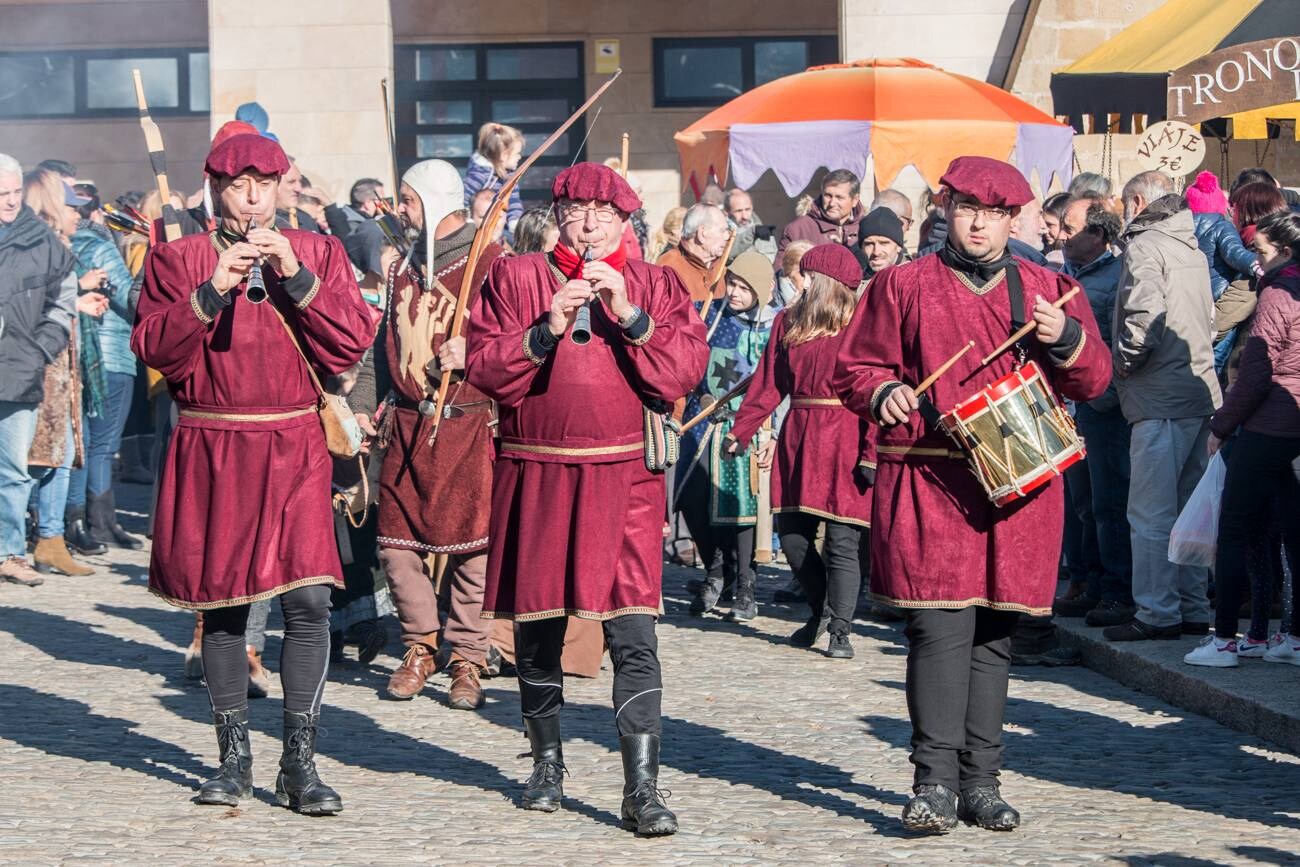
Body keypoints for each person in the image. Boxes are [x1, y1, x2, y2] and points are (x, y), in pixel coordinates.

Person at [834, 156, 1109, 833]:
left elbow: (1096, 380)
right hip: (929, 478)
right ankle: (932, 780)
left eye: (993, 212)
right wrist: (882, 390)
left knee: (993, 631)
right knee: (939, 627)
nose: (979, 222)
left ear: (1014, 219)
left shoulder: (1049, 288)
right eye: (966, 208)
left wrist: (1065, 337)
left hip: (1017, 487)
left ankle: (981, 782)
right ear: (946, 211)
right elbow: (854, 366)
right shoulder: (900, 285)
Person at [132, 133, 373, 814]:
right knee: (225, 607)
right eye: (238, 184)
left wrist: (295, 271)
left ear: (281, 188)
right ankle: (233, 758)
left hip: (294, 441)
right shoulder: (178, 259)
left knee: (309, 602)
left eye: (264, 184)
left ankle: (300, 761)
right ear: (214, 188)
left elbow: (352, 338)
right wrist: (211, 290)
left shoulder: (320, 251)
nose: (252, 196)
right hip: (215, 443)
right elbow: (154, 347)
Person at [464, 162, 708, 836]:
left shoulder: (657, 282)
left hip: (625, 476)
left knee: (634, 632)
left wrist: (628, 314)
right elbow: (483, 368)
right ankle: (546, 764)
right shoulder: (516, 277)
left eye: (605, 212)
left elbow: (686, 369)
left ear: (626, 220)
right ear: (559, 216)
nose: (591, 222)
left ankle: (642, 787)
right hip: (538, 471)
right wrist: (545, 329)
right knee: (537, 629)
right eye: (578, 209)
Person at [373, 158, 504, 710]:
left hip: (469, 423)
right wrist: (364, 405)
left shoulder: (494, 265)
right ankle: (420, 646)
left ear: (430, 201)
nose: (400, 210)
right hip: (407, 422)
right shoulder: (403, 265)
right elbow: (380, 344)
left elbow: (525, 340)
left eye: (407, 199)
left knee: (473, 552)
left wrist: (475, 352)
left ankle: (468, 657)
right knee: (395, 549)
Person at [729, 244, 871, 657]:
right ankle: (820, 610)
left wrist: (872, 452)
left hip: (847, 435)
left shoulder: (863, 327)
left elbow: (878, 389)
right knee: (793, 540)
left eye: (805, 277)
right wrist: (743, 430)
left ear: (825, 284)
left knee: (843, 542)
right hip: (800, 439)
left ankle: (840, 629)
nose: (798, 284)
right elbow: (768, 384)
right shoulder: (786, 323)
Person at [1105, 171, 1221, 643]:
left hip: (1160, 395)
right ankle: (1191, 606)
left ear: (1136, 202)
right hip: (1195, 392)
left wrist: (1124, 365)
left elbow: (1145, 316)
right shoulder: (1187, 243)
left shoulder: (1147, 245)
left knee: (1151, 514)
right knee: (1189, 508)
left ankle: (1156, 611)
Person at [1185, 212, 1300, 668]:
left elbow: (1256, 371)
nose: (1255, 259)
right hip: (1293, 430)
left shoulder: (1276, 292)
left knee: (1233, 531)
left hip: (1267, 426)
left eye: (1262, 251)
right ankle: (1290, 636)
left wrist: (1221, 425)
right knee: (1294, 537)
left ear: (1286, 253)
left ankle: (1226, 640)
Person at [676, 250, 777, 621]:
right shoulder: (708, 314)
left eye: (743, 287)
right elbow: (690, 361)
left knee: (739, 510)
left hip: (746, 426)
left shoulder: (771, 326)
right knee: (691, 499)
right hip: (703, 422)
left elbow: (777, 381)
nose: (733, 292)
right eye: (731, 283)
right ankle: (715, 569)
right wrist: (700, 391)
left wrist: (770, 431)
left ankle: (744, 585)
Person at [1051, 196, 1134, 628]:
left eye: (1070, 229)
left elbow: (1122, 342)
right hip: (1067, 405)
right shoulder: (1062, 274)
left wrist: (1107, 393)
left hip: (1103, 406)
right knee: (1078, 502)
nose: (1060, 236)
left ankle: (1117, 591)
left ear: (1099, 234)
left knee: (1109, 502)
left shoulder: (1119, 275)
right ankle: (1085, 582)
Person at [21, 172, 104, 578]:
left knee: (62, 453)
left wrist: (78, 302)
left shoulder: (58, 243)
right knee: (33, 459)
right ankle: (21, 539)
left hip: (60, 367)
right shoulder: (34, 243)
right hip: (37, 366)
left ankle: (50, 540)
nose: (79, 214)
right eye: (72, 207)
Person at [66, 184, 143, 551]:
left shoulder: (63, 243)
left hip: (79, 354)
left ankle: (87, 520)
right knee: (102, 445)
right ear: (96, 214)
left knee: (83, 442)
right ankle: (101, 522)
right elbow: (130, 299)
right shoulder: (99, 245)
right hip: (110, 354)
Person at [1186, 171, 1261, 375]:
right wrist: (1255, 264)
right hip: (1218, 298)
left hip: (1191, 302)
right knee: (1215, 365)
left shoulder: (1182, 229)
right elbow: (1234, 252)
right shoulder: (1221, 226)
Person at [777, 169, 865, 259]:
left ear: (855, 200)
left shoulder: (866, 227)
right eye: (828, 195)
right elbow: (781, 269)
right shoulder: (799, 229)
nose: (832, 203)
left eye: (839, 197)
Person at [656, 203, 730, 305]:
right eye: (722, 231)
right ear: (701, 233)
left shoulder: (720, 267)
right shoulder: (668, 268)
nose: (727, 236)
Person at [464, 122, 524, 237]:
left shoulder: (510, 176)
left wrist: (515, 223)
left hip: (501, 228)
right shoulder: (479, 175)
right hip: (478, 231)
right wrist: (468, 224)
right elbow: (464, 200)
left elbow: (514, 201)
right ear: (503, 156)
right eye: (517, 153)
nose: (520, 157)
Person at [856, 207, 908, 282]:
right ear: (861, 247)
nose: (876, 252)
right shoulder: (856, 282)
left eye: (884, 243)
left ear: (899, 247)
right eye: (869, 244)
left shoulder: (912, 281)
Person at [725, 188, 776, 262]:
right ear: (727, 212)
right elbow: (727, 253)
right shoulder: (722, 231)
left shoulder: (760, 228)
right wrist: (751, 233)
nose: (744, 216)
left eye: (747, 209)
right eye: (738, 211)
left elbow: (772, 257)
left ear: (752, 207)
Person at [775, 239, 814, 308]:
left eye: (813, 277)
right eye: (803, 275)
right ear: (788, 272)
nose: (809, 283)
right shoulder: (770, 300)